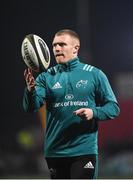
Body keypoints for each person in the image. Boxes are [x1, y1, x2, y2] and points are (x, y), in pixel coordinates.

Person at [23, 29, 120, 179]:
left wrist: (93, 112)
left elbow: (113, 108)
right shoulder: (46, 77)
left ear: (76, 48)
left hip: (84, 151)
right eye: (54, 45)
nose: (56, 49)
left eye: (62, 44)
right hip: (55, 152)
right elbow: (31, 107)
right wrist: (30, 91)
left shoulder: (95, 74)